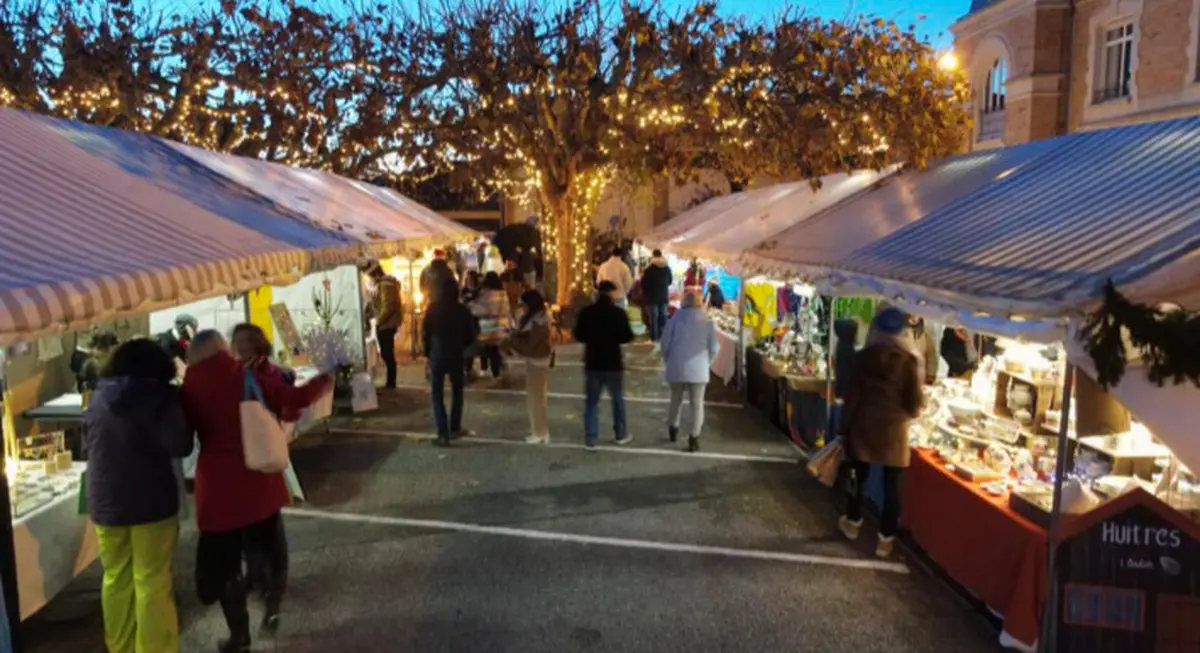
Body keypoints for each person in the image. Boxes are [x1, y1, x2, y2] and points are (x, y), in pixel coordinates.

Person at [182, 330, 331, 652]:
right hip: (259, 482)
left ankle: (239, 635)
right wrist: (325, 378)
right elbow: (296, 399)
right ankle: (272, 608)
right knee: (271, 549)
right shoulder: (245, 376)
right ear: (223, 349)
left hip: (218, 491)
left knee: (225, 567)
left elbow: (181, 435)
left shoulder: (190, 385)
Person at [85, 338, 193, 653]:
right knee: (152, 580)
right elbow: (179, 444)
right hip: (152, 502)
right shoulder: (162, 398)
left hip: (106, 502)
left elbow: (88, 443)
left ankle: (120, 647)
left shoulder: (98, 397)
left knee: (115, 577)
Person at [837, 308, 924, 558]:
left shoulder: (863, 358)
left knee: (858, 477)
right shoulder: (909, 361)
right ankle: (885, 540)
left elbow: (852, 397)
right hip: (895, 431)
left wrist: (844, 429)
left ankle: (853, 522)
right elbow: (914, 404)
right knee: (892, 487)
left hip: (864, 426)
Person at [574, 280, 634, 450]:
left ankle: (591, 437)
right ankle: (620, 433)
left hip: (593, 361)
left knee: (592, 402)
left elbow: (579, 335)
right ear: (612, 293)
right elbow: (627, 336)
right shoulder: (618, 313)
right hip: (613, 362)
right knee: (617, 399)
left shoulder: (587, 312)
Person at [423, 277, 479, 446]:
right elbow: (470, 336)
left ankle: (442, 433)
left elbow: (426, 332)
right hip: (456, 355)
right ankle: (455, 427)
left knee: (437, 395)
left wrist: (427, 352)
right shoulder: (462, 310)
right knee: (457, 392)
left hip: (437, 355)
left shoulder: (433, 309)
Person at [660, 292, 719, 453]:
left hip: (676, 366)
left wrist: (668, 358)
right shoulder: (707, 322)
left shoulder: (674, 319)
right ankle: (694, 437)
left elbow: (665, 343)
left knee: (676, 399)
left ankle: (673, 428)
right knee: (697, 404)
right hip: (699, 369)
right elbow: (714, 347)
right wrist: (707, 361)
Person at [506, 290, 554, 444]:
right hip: (538, 359)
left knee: (536, 399)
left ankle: (540, 432)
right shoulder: (540, 318)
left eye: (524, 304)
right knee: (537, 397)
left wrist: (513, 339)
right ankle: (539, 430)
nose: (522, 308)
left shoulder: (537, 322)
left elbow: (530, 346)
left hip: (537, 361)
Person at [368, 263, 402, 390]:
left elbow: (388, 306)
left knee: (387, 352)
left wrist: (378, 321)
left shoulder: (386, 286)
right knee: (386, 352)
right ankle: (390, 381)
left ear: (377, 275)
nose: (370, 280)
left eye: (371, 277)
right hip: (386, 323)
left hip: (387, 324)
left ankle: (391, 382)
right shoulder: (384, 285)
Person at [469, 272, 510, 379]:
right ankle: (496, 371)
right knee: (494, 349)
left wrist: (470, 307)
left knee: (486, 348)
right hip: (500, 324)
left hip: (488, 325)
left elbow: (480, 309)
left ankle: (486, 368)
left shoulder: (485, 293)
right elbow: (506, 309)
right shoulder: (503, 293)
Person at [640, 249, 673, 345]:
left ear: (653, 256)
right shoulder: (667, 268)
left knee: (653, 319)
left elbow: (643, 283)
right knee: (663, 318)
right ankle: (664, 337)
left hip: (652, 298)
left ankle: (653, 339)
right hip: (663, 296)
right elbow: (670, 281)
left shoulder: (649, 270)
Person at [905, 314, 939, 385]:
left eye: (916, 315)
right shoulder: (899, 332)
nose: (914, 317)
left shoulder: (925, 333)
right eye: (911, 314)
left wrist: (931, 374)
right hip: (904, 375)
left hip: (920, 376)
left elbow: (931, 355)